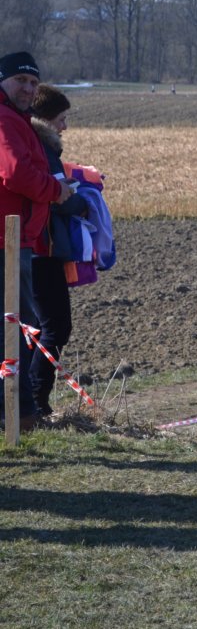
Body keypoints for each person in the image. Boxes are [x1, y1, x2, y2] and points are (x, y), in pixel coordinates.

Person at [0, 51, 72, 428]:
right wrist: (55, 191)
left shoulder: (19, 121)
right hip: (6, 241)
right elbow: (15, 173)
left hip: (19, 239)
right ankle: (20, 415)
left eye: (33, 82)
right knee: (15, 327)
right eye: (20, 80)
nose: (28, 88)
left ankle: (20, 413)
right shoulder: (5, 120)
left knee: (19, 325)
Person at [27, 85, 90, 415]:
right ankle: (36, 401)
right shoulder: (42, 148)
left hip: (36, 248)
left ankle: (30, 401)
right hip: (43, 249)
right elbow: (58, 197)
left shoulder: (32, 144)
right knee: (55, 326)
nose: (65, 126)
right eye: (61, 119)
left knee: (38, 326)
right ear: (46, 119)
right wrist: (85, 202)